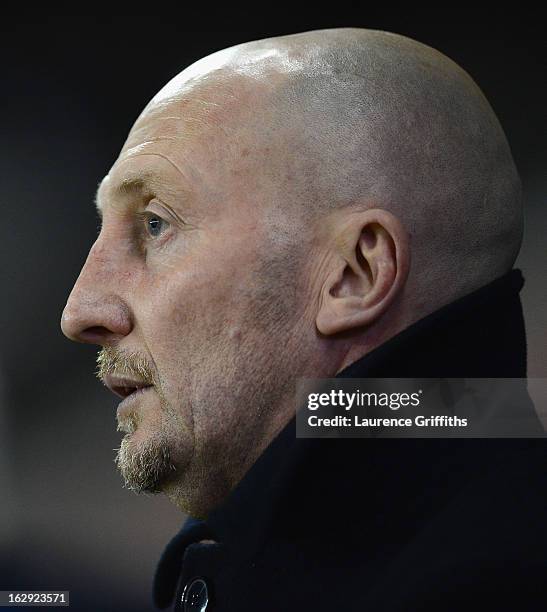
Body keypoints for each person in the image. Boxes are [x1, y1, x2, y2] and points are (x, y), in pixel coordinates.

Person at [61, 29, 546, 611]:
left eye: (155, 224)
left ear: (354, 275)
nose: (81, 311)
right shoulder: (464, 515)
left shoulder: (487, 577)